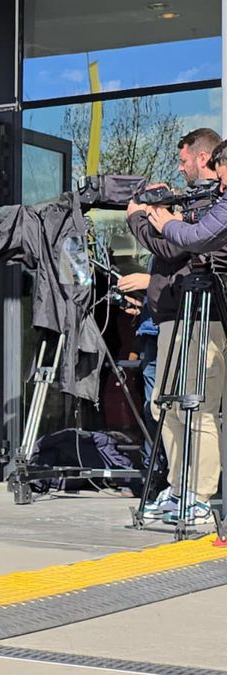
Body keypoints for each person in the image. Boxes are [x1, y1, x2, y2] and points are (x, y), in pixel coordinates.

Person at [139, 130, 227, 524]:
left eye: (183, 159)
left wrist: (142, 218)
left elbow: (188, 241)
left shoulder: (215, 205)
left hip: (207, 316)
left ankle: (201, 496)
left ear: (204, 157)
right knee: (167, 403)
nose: (180, 168)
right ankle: (179, 489)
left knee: (200, 406)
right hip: (177, 314)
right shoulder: (203, 201)